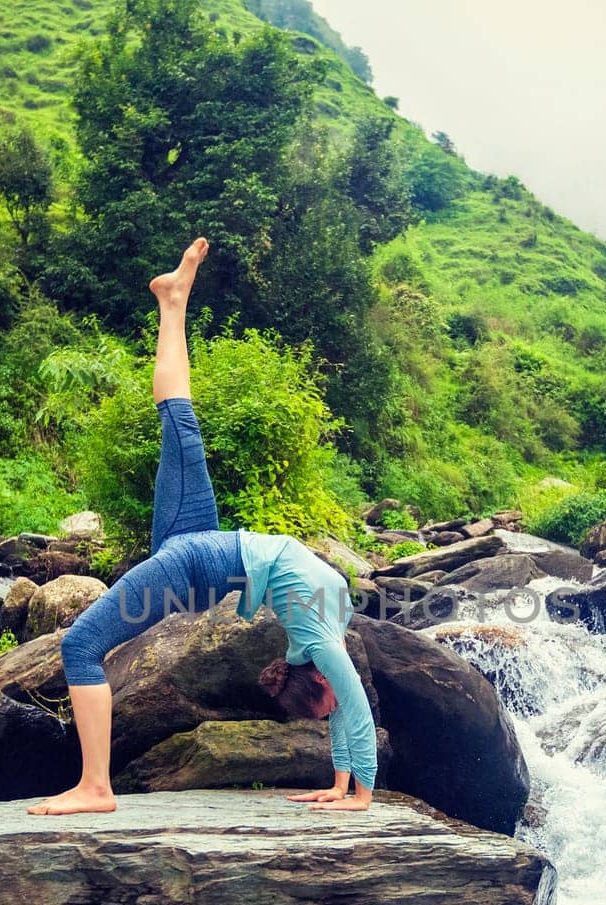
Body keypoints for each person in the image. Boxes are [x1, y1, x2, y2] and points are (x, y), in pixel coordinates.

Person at [26, 238, 377, 816]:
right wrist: (358, 793)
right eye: (323, 708)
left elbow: (343, 708)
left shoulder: (318, 636)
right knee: (178, 422)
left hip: (208, 560)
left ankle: (95, 787)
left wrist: (345, 785)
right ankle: (174, 302)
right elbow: (355, 707)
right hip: (202, 559)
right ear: (316, 680)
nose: (330, 711)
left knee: (79, 644)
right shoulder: (318, 640)